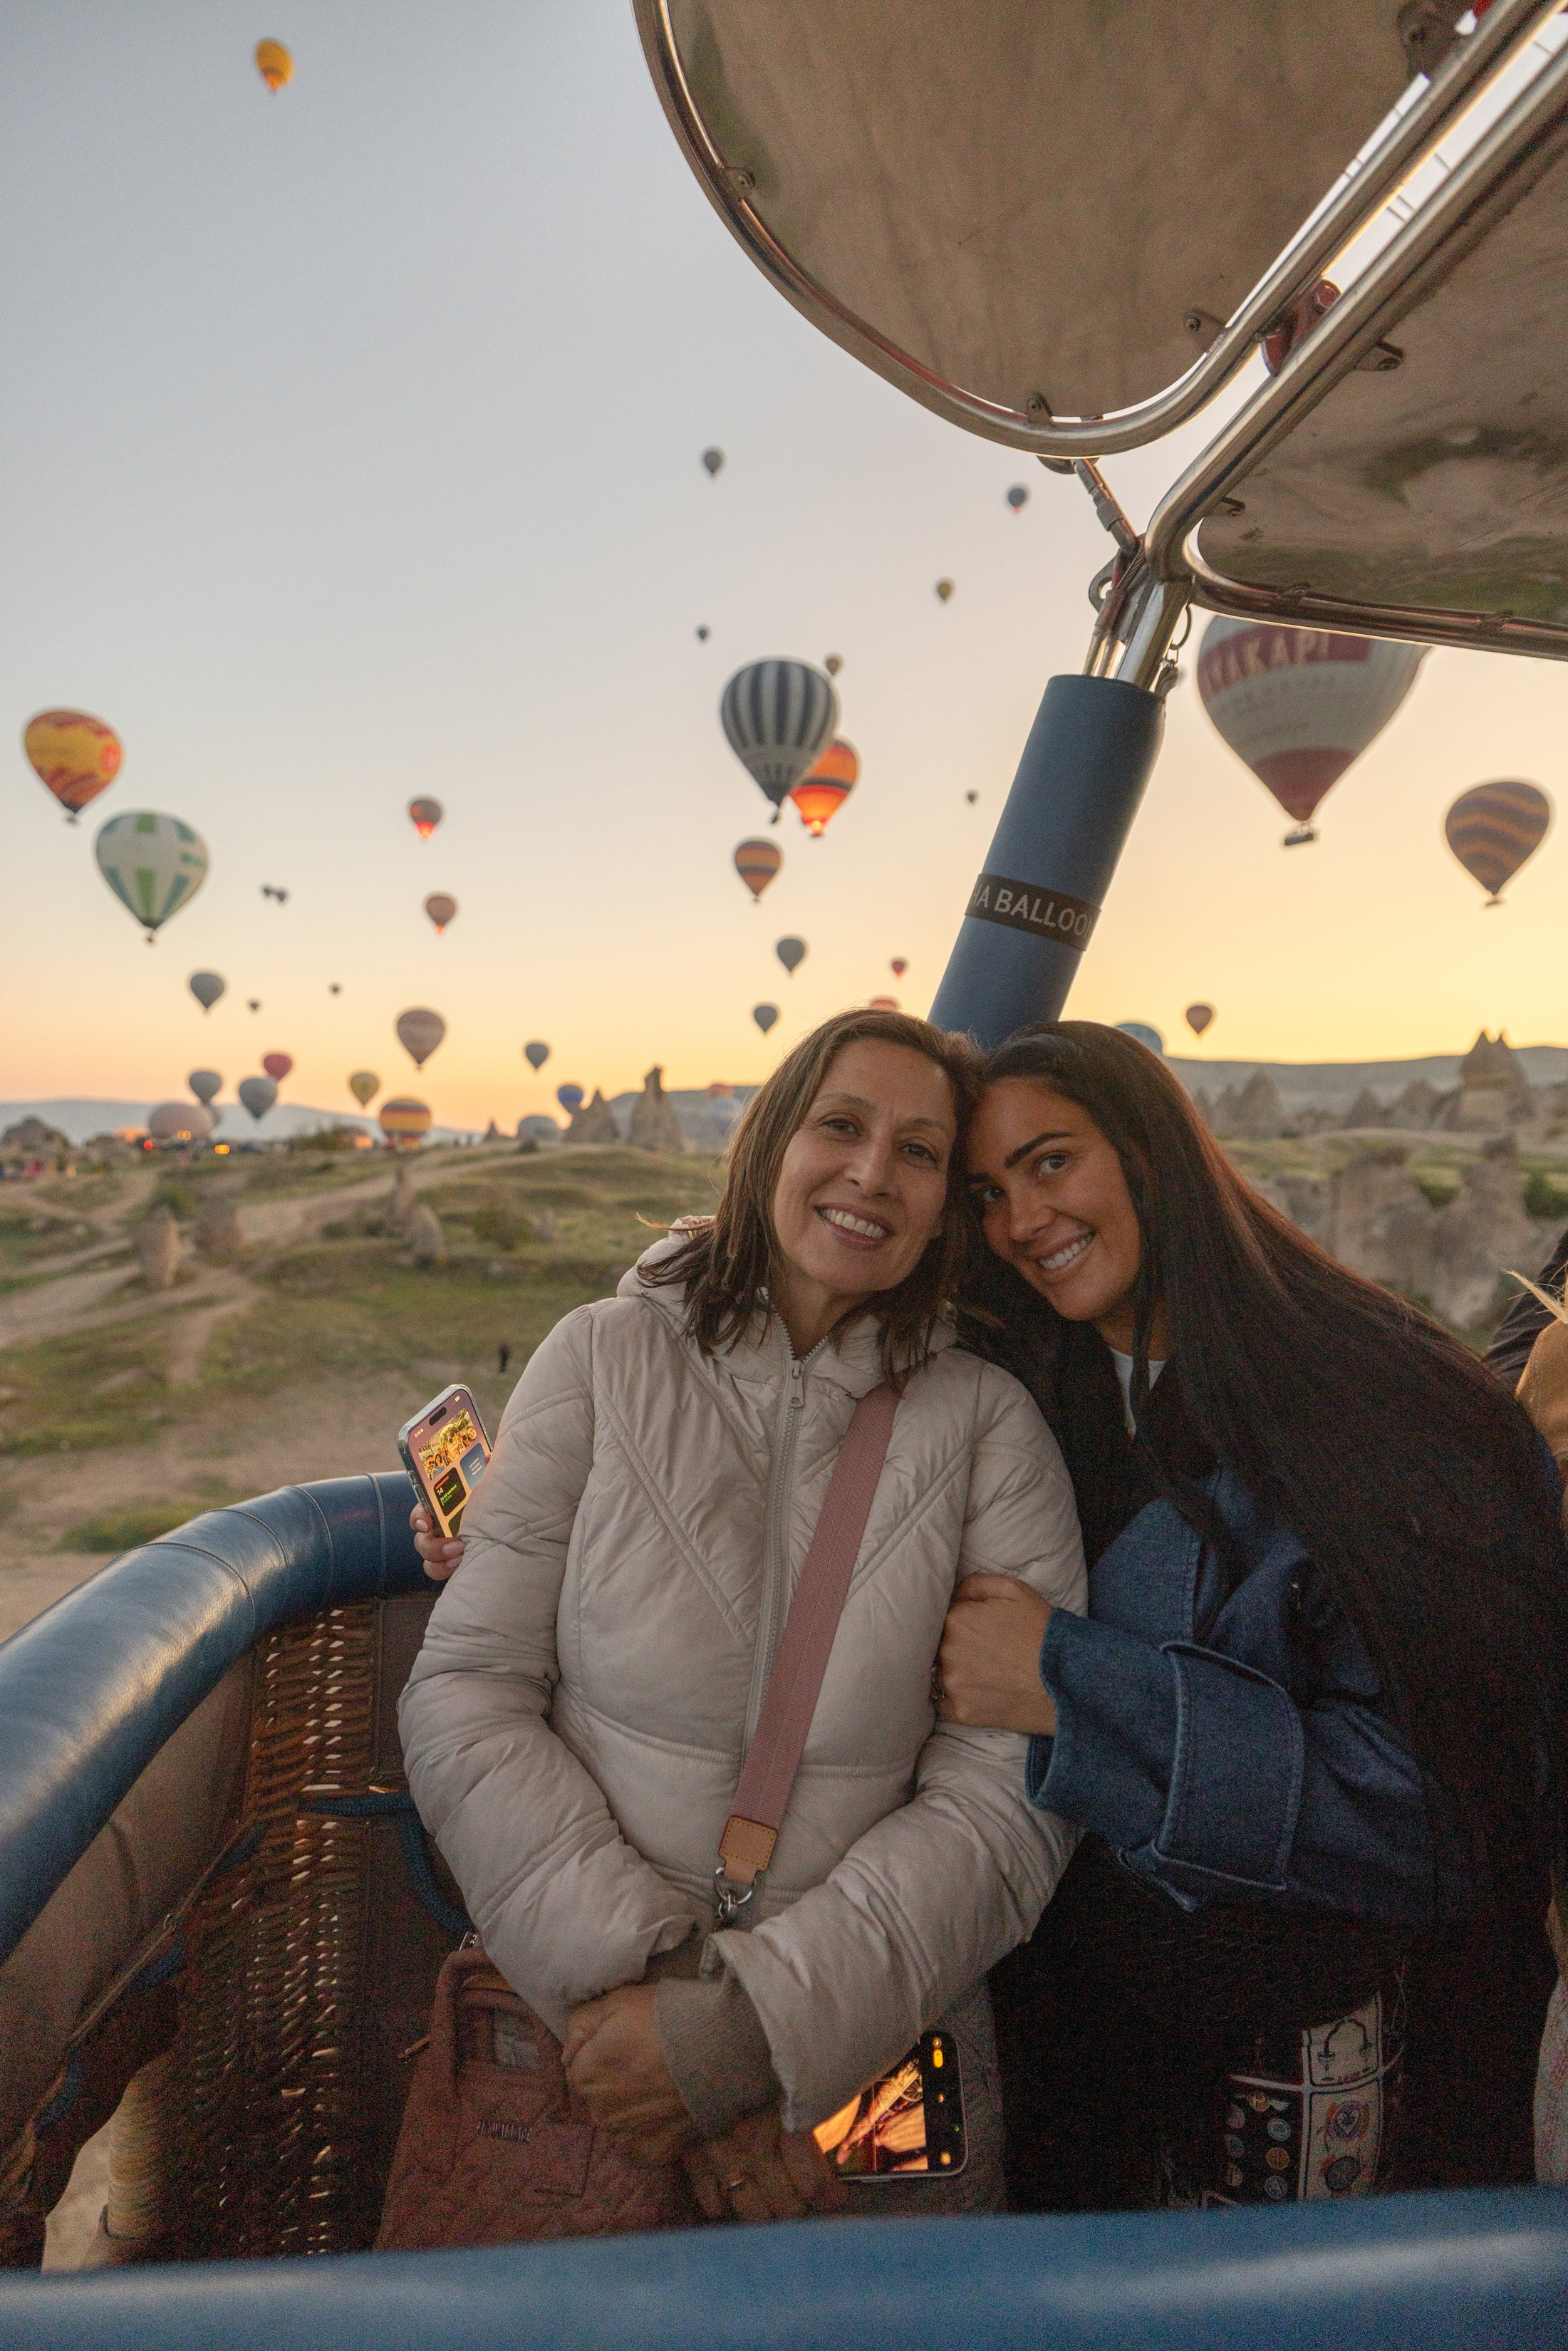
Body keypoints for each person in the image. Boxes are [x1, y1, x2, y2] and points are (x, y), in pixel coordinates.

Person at [400, 1007, 1084, 2224]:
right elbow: (466, 1690)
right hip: (590, 2024)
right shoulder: (599, 1361)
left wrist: (750, 2033)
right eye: (840, 1125)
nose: (871, 1172)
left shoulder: (989, 1430)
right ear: (772, 1138)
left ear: (945, 1206)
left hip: (880, 2051)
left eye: (920, 1153)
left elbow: (1011, 1795)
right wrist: (656, 2009)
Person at [935, 1020, 1568, 2210]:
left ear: (1152, 1155)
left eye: (1051, 1162)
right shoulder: (1035, 1399)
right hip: (1090, 2076)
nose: (1021, 1220)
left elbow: (1446, 1815)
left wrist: (1072, 1689)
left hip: (1328, 2124)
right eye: (984, 1192)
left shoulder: (1377, 1409)